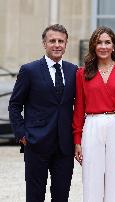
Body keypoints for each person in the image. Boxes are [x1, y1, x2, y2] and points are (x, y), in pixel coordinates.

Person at [8, 24, 77, 202]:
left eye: (60, 41)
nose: (56, 45)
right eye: (52, 41)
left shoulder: (74, 71)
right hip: (36, 142)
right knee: (35, 195)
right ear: (44, 44)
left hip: (65, 144)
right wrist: (21, 134)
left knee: (61, 195)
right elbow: (15, 104)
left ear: (66, 44)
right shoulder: (29, 70)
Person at [72, 26, 115, 202]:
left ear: (114, 46)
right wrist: (77, 140)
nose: (103, 46)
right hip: (92, 124)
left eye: (107, 42)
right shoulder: (82, 73)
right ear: (93, 46)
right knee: (91, 176)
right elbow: (78, 108)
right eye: (99, 42)